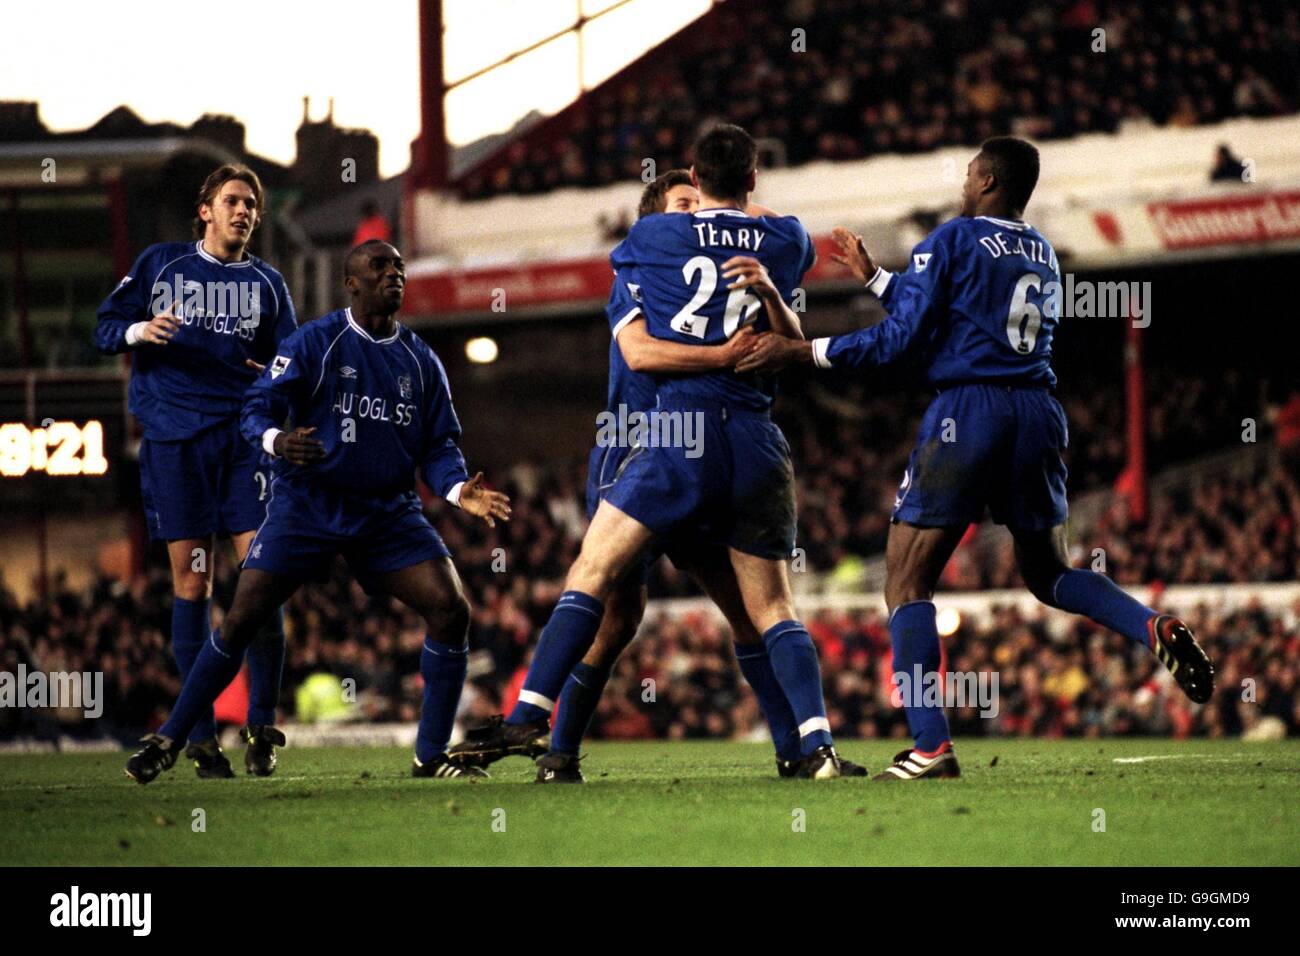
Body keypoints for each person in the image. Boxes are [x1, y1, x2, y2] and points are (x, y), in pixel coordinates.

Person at [737, 137, 1215, 779]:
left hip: (971, 412)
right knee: (1049, 573)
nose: (963, 181)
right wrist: (878, 278)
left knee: (906, 582)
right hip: (1038, 412)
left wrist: (804, 352)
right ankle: (1150, 625)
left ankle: (931, 746)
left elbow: (904, 340)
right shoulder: (1041, 250)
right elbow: (959, 311)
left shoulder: (953, 237)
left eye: (969, 172)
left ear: (988, 178)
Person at [456, 125, 855, 781]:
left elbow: (749, 325)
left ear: (700, 183)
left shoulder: (650, 251)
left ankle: (797, 747)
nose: (690, 213)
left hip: (682, 442)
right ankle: (558, 750)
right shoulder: (665, 274)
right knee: (620, 621)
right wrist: (731, 341)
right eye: (679, 208)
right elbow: (641, 353)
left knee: (740, 611)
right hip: (635, 444)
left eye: (692, 199)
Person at [123, 240, 511, 783]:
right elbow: (255, 406)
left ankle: (430, 756)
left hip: (386, 514)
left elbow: (440, 447)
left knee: (452, 609)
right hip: (308, 504)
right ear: (351, 283)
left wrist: (455, 491)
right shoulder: (315, 342)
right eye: (380, 266)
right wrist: (279, 441)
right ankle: (172, 737)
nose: (393, 273)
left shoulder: (422, 361)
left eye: (399, 267)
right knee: (241, 618)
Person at [94, 164, 296, 778]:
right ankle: (203, 738)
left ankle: (261, 725)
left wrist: (276, 378)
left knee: (262, 576)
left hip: (241, 443)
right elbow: (103, 329)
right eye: (232, 201)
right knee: (192, 583)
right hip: (175, 443)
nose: (244, 212)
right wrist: (139, 328)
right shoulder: (161, 265)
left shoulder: (268, 283)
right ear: (205, 209)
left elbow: (290, 361)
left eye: (252, 205)